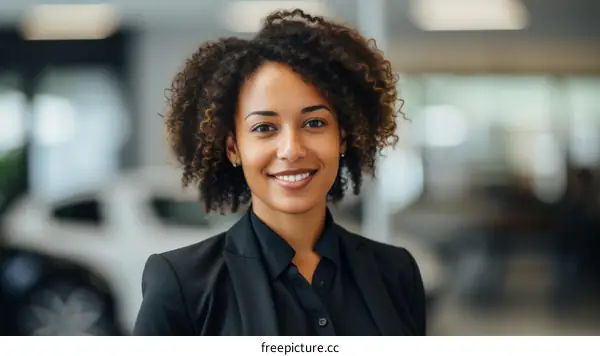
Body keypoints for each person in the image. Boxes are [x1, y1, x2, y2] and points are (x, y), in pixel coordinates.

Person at [133, 9, 426, 336]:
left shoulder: (395, 272)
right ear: (234, 148)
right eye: (264, 127)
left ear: (342, 138)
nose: (291, 149)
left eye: (314, 123)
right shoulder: (181, 283)